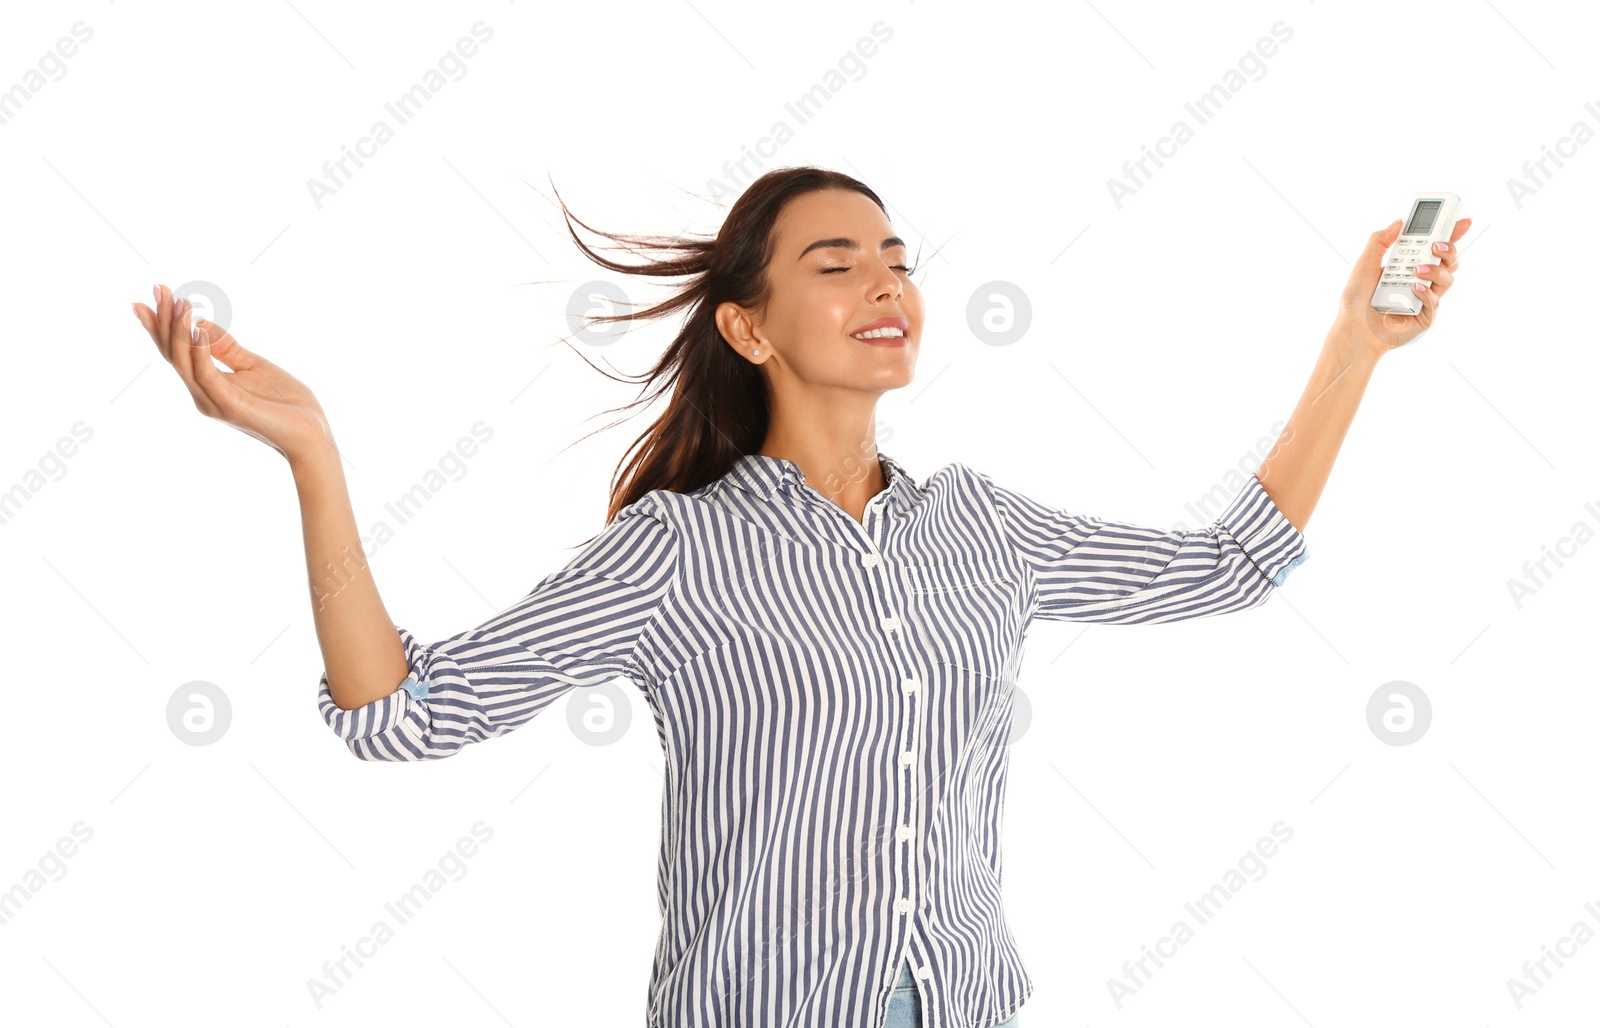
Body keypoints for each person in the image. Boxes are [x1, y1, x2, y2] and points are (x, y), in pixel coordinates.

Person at [129, 166, 1469, 1028]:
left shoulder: (982, 532)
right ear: (750, 329)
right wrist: (314, 452)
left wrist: (1357, 343)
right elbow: (400, 714)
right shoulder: (673, 554)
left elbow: (1228, 566)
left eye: (895, 257)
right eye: (836, 264)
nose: (886, 282)